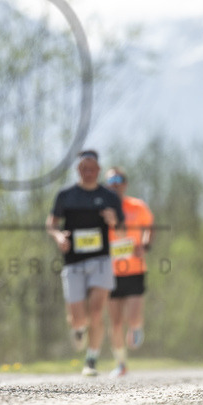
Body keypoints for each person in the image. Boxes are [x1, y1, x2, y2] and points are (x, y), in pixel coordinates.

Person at [47, 150, 125, 376]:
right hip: (73, 262)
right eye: (84, 169)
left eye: (92, 169)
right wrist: (59, 236)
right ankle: (79, 328)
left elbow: (121, 231)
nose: (89, 173)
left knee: (97, 310)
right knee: (79, 317)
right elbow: (51, 223)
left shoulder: (110, 197)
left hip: (101, 259)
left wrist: (113, 221)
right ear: (78, 170)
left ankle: (91, 360)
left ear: (99, 170)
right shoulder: (66, 195)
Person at [104, 167, 155, 377]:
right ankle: (120, 363)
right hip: (111, 271)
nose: (115, 183)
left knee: (132, 318)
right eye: (111, 180)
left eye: (119, 179)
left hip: (134, 269)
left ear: (125, 184)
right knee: (115, 322)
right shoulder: (102, 209)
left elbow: (150, 228)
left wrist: (145, 245)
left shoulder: (137, 206)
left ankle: (136, 327)